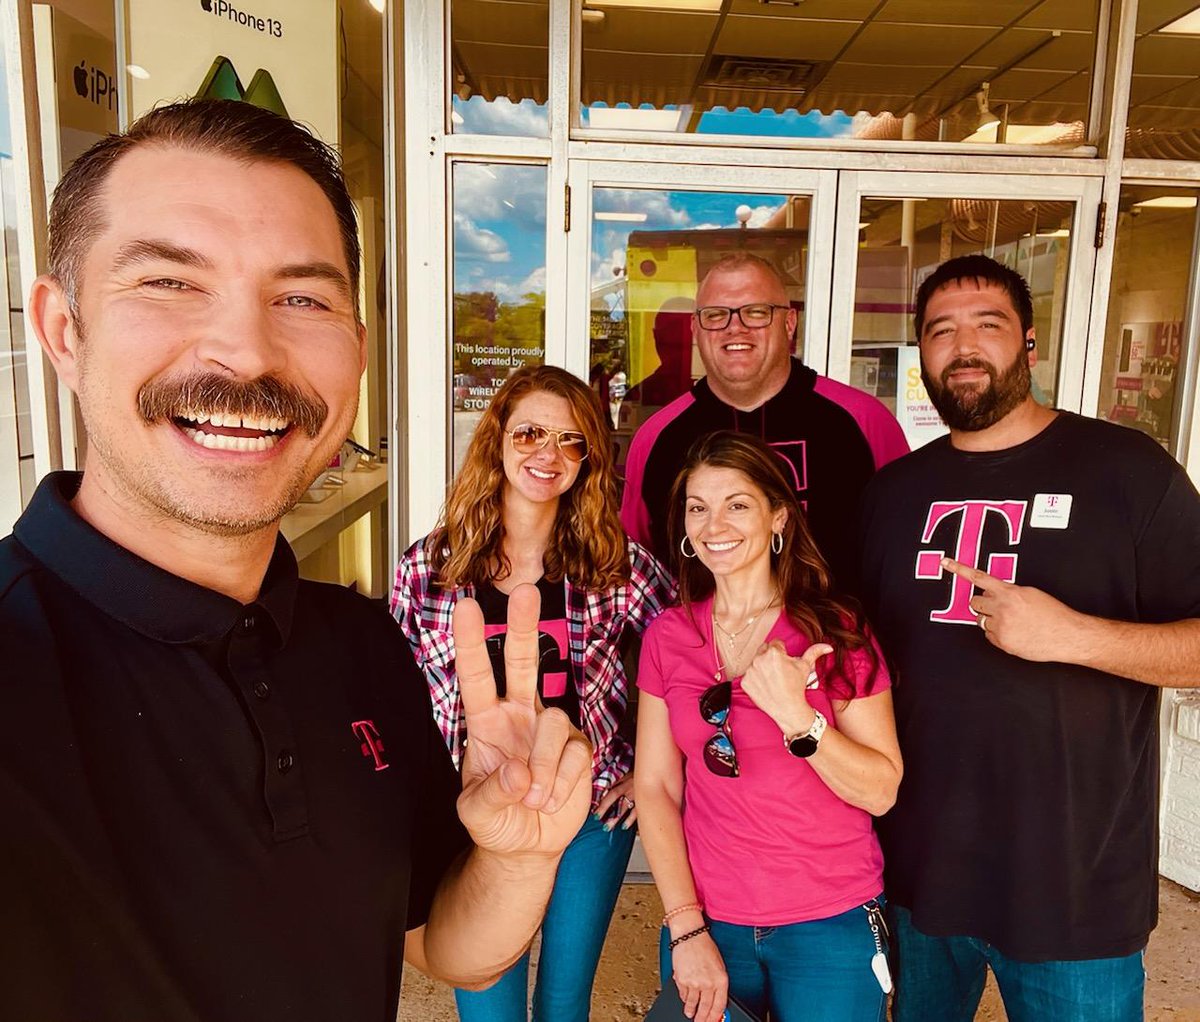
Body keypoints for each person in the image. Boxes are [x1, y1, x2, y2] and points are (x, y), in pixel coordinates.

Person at [0, 98, 592, 1022]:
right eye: (169, 283)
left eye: (302, 298)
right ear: (64, 329)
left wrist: (518, 856)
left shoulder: (360, 646)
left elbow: (447, 952)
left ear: (357, 353)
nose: (245, 351)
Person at [859, 254, 1200, 1022]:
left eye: (989, 324)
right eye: (941, 331)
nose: (964, 346)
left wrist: (1075, 636)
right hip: (919, 878)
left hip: (1074, 890)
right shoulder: (893, 494)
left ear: (1031, 344)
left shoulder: (1126, 471)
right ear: (921, 356)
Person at [392, 364, 675, 1022]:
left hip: (588, 812)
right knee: (486, 995)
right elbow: (392, 702)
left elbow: (687, 659)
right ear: (496, 441)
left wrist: (647, 768)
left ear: (588, 460)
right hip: (476, 812)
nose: (548, 454)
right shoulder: (428, 571)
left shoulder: (616, 564)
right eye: (530, 434)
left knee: (563, 1003)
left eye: (570, 441)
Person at [635, 431, 903, 1022]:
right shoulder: (668, 636)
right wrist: (684, 928)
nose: (714, 524)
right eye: (698, 507)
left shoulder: (835, 630)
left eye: (737, 504)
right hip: (709, 921)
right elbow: (654, 787)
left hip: (829, 924)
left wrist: (799, 720)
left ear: (778, 518)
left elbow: (882, 789)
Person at [620, 253, 909, 592]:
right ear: (695, 329)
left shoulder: (865, 421)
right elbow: (637, 564)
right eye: (715, 315)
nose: (735, 327)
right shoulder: (656, 437)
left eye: (756, 312)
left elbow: (905, 552)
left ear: (789, 322)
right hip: (699, 642)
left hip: (834, 640)